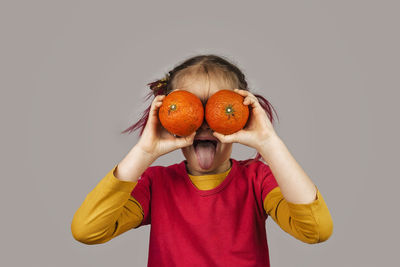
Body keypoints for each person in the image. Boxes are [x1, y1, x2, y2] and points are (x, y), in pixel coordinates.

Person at [71, 54, 333, 267]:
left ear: (244, 114)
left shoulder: (257, 180)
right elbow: (88, 230)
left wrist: (268, 143)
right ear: (166, 115)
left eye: (219, 105)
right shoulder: (156, 185)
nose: (205, 123)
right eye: (191, 107)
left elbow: (316, 230)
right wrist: (144, 152)